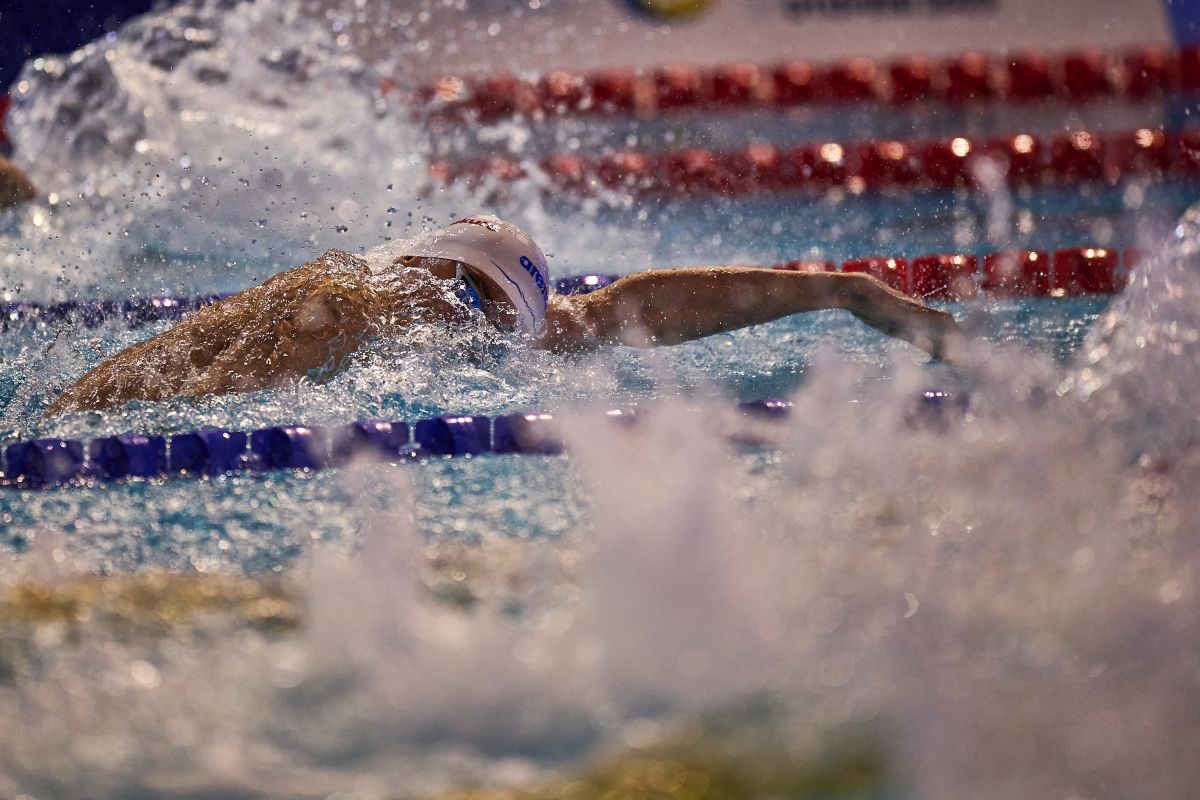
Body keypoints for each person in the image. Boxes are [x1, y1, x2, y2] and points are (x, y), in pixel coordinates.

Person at [44, 215, 966, 415]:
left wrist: (839, 289)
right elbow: (147, 400)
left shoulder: (506, 324)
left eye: (489, 316)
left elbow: (633, 306)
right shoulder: (341, 307)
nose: (462, 326)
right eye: (458, 299)